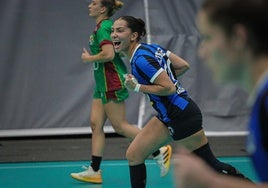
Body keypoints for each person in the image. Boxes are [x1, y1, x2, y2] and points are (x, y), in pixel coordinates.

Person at [110, 15, 250, 188]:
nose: (114, 34)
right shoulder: (151, 48)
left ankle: (247, 184)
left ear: (133, 36)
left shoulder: (140, 60)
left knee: (211, 166)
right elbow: (183, 65)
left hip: (181, 115)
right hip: (169, 114)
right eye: (113, 31)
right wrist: (164, 80)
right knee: (134, 154)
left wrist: (138, 87)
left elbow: (168, 88)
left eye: (120, 30)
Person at [70, 0, 172, 184]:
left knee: (120, 126)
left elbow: (108, 54)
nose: (89, 5)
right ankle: (94, 170)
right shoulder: (103, 26)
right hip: (101, 82)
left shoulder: (105, 28)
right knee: (95, 124)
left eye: (93, 3)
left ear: (102, 9)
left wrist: (88, 58)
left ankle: (159, 150)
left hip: (112, 80)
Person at [173, 0, 268, 187]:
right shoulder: (260, 98)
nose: (202, 53)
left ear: (238, 38)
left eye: (208, 38)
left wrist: (211, 182)